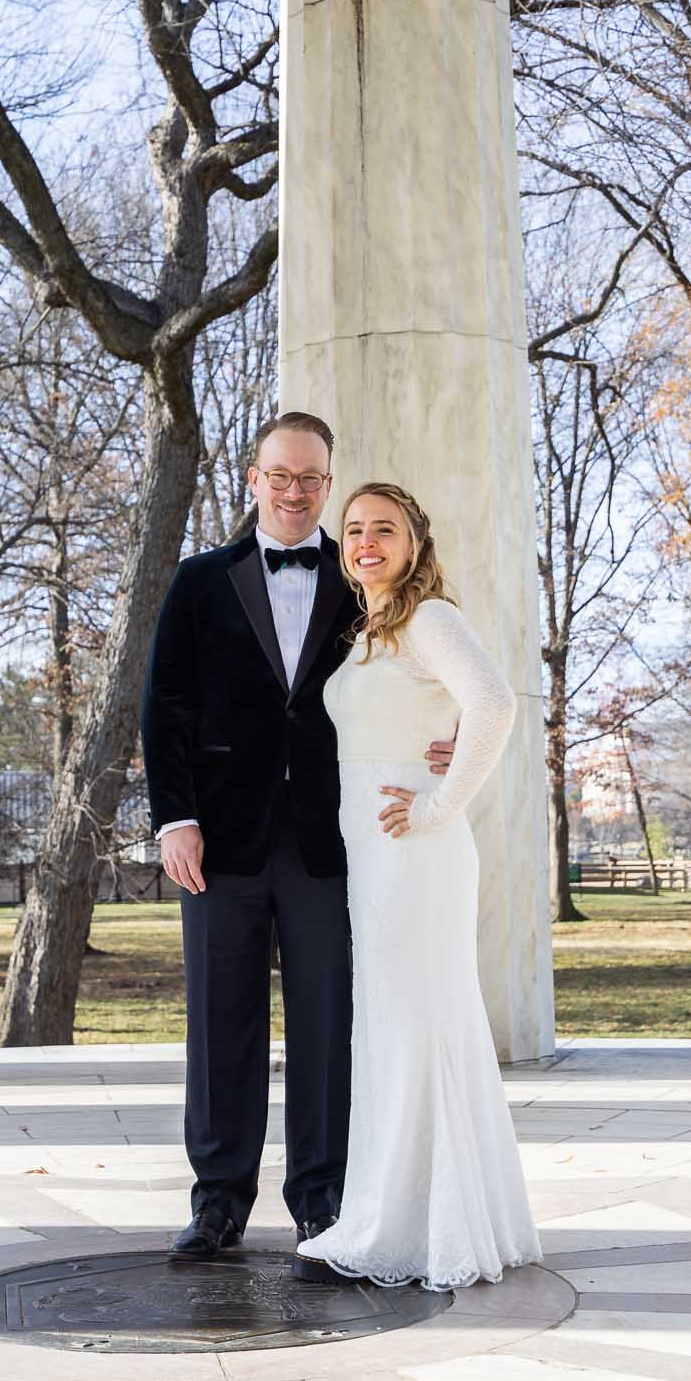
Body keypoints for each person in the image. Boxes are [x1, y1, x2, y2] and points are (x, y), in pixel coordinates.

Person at [138, 412, 455, 1263]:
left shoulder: (366, 586)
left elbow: (434, 670)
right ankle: (218, 1201)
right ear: (253, 479)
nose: (294, 491)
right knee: (220, 1022)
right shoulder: (199, 581)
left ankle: (321, 1198)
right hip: (219, 839)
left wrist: (451, 736)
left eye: (312, 478)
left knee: (327, 1022)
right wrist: (176, 818)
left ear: (327, 480)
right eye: (280, 475)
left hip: (333, 840)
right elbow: (163, 705)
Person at [295, 481, 541, 1291]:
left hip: (414, 850)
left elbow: (495, 702)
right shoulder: (368, 628)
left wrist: (439, 803)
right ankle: (399, 1214)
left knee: (413, 1024)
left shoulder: (429, 616)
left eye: (385, 529)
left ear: (414, 541)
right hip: (371, 855)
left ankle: (413, 1230)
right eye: (355, 530)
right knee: (394, 1026)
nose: (367, 542)